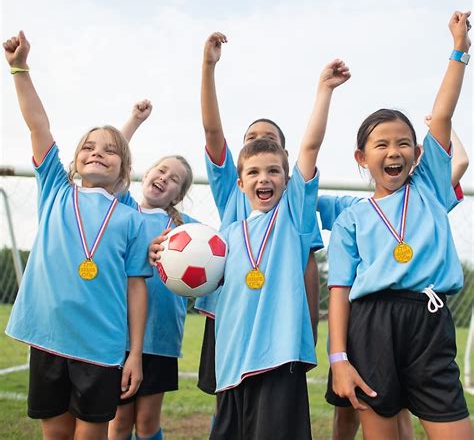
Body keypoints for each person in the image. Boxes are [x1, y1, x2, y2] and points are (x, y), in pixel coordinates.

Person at [327, 11, 472, 440]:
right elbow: (338, 292)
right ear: (362, 158)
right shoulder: (351, 218)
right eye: (382, 144)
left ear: (417, 153)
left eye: (404, 142)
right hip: (372, 325)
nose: (395, 151)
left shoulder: (428, 186)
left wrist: (459, 51)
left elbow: (442, 115)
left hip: (430, 319)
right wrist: (339, 358)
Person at [3, 31, 151, 440]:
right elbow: (38, 124)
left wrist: (135, 353)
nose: (95, 152)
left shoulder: (130, 218)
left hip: (100, 347)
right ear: (74, 159)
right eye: (87, 147)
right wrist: (19, 68)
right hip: (48, 341)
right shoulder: (55, 189)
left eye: (108, 149)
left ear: (124, 167)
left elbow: (137, 287)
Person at [204, 58, 350, 439]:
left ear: (287, 180)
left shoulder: (294, 217)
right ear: (239, 183)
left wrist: (324, 89)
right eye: (253, 172)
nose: (263, 178)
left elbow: (310, 146)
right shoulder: (230, 235)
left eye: (273, 171)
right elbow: (194, 263)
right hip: (232, 361)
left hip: (278, 355)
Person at [192, 32, 323, 410]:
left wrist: (310, 322)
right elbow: (212, 130)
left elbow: (308, 265)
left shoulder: (293, 210)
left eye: (269, 141)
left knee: (271, 410)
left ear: (283, 159)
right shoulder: (231, 191)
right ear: (240, 171)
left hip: (276, 319)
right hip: (230, 314)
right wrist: (208, 67)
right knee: (230, 405)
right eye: (251, 139)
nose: (258, 142)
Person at [108, 101, 196, 440]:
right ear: (145, 172)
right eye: (161, 170)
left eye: (174, 179)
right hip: (119, 334)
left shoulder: (186, 229)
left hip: (160, 338)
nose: (164, 178)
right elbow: (114, 161)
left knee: (146, 422)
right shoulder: (124, 210)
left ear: (179, 195)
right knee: (118, 421)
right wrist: (134, 120)